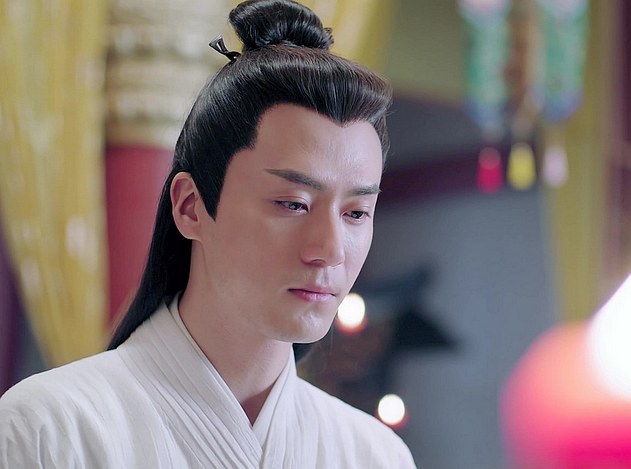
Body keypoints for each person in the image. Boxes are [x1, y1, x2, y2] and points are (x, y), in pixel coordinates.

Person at [0, 1, 416, 467]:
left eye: (356, 213)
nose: (330, 249)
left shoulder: (375, 455)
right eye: (292, 204)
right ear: (190, 206)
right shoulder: (50, 427)